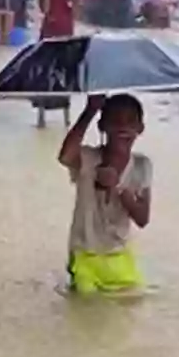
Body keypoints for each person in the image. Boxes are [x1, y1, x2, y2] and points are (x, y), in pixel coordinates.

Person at [57, 94, 152, 295]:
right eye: (115, 121)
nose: (122, 127)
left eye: (130, 121)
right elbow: (65, 156)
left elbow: (142, 218)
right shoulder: (88, 159)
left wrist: (117, 187)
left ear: (140, 128)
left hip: (119, 253)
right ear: (102, 126)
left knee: (131, 308)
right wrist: (89, 110)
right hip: (84, 254)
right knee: (87, 307)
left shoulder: (142, 166)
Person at [35, 0, 81, 128]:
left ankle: (66, 117)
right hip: (47, 30)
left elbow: (76, 7)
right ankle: (41, 116)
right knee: (44, 72)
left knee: (63, 71)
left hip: (65, 30)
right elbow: (43, 9)